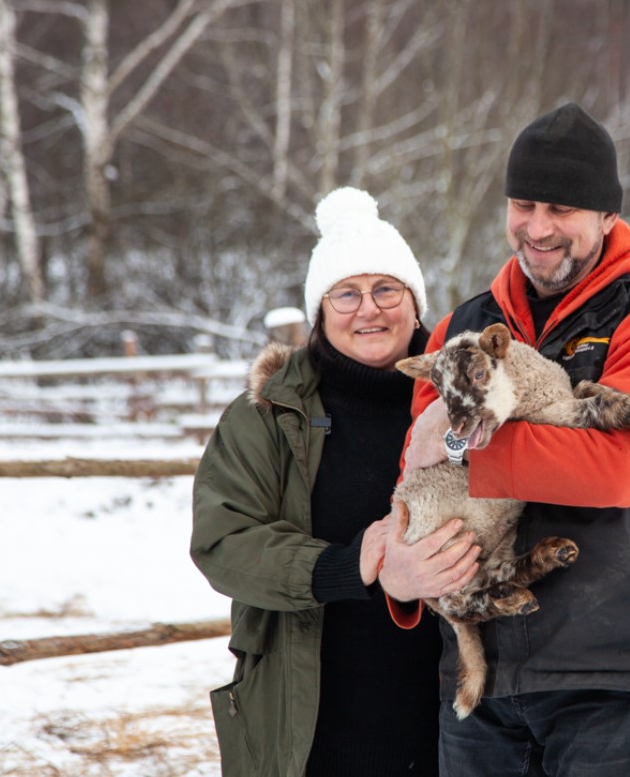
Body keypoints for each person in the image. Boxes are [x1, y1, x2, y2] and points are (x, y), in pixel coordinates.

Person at [402, 103, 630, 776]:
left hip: (612, 669)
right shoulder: (463, 325)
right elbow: (415, 469)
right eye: (524, 204)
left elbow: (612, 472)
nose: (538, 228)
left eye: (562, 209)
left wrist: (461, 444)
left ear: (607, 216)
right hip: (480, 670)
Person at [190, 186, 482, 776]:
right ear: (320, 310)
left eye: (386, 289)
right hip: (314, 725)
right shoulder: (268, 414)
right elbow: (223, 542)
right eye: (346, 293)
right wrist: (349, 568)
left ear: (416, 302)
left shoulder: (469, 400)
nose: (368, 308)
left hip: (459, 724)